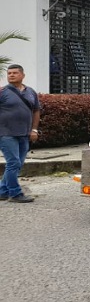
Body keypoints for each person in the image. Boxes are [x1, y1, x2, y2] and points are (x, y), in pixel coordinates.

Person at [0, 64, 41, 203]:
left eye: (15, 73)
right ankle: (15, 193)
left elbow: (36, 110)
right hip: (6, 133)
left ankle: (2, 191)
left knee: (18, 163)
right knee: (13, 163)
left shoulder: (30, 92)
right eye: (9, 73)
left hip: (24, 133)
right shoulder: (2, 92)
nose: (11, 75)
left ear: (22, 75)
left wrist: (34, 129)